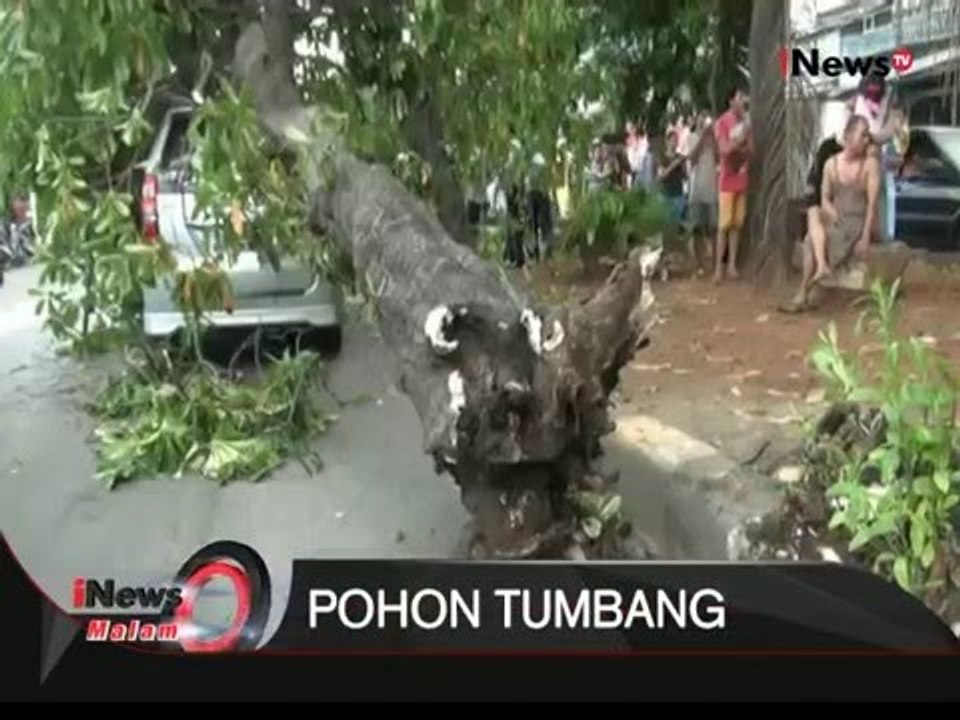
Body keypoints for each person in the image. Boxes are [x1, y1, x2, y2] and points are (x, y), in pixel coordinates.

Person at [782, 115, 880, 313]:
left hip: (855, 223)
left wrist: (866, 236)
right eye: (862, 135)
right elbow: (824, 197)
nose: (866, 140)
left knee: (811, 238)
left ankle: (804, 290)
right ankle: (820, 269)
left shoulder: (870, 165)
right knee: (813, 211)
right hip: (836, 218)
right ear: (849, 135)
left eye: (867, 136)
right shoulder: (830, 164)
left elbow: (872, 205)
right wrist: (831, 212)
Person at [713, 87, 752, 283]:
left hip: (741, 179)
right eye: (740, 97)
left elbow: (751, 149)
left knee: (737, 225)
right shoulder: (722, 122)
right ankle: (718, 268)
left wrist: (743, 141)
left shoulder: (746, 122)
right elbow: (723, 149)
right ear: (731, 101)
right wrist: (739, 141)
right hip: (727, 180)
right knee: (723, 225)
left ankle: (732, 266)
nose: (744, 100)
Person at [685, 111, 719, 274]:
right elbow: (691, 158)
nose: (704, 121)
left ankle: (714, 263)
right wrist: (702, 138)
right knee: (697, 228)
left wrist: (713, 138)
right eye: (701, 118)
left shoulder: (714, 138)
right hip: (696, 189)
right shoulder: (692, 137)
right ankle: (698, 264)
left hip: (712, 188)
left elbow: (720, 157)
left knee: (714, 227)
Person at [658, 130, 688, 236]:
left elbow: (685, 176)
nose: (675, 143)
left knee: (676, 223)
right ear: (667, 141)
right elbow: (661, 176)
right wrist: (673, 165)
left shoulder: (680, 157)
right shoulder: (662, 157)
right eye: (673, 140)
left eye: (676, 141)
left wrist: (683, 167)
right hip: (666, 194)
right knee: (666, 223)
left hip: (678, 193)